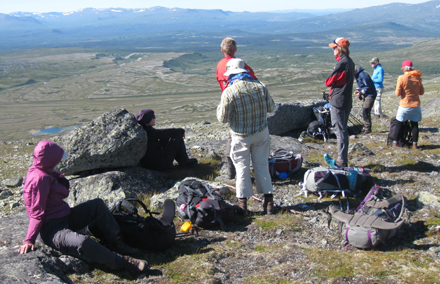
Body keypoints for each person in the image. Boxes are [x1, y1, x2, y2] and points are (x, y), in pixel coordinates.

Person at [19, 140, 148, 274]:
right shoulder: (39, 179)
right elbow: (36, 212)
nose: (59, 162)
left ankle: (116, 243)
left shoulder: (45, 171)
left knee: (97, 205)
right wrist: (29, 239)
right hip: (52, 229)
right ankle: (123, 262)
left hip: (65, 216)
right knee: (82, 241)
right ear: (50, 160)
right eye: (57, 159)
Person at [217, 58, 276, 214]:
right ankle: (269, 203)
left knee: (241, 168)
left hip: (240, 135)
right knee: (262, 165)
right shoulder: (260, 86)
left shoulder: (229, 92)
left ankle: (243, 205)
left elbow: (222, 118)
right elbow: (272, 108)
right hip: (261, 132)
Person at [216, 38, 258, 180]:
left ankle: (231, 172)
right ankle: (240, 172)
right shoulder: (240, 64)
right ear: (235, 50)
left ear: (222, 50)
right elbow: (253, 79)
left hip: (228, 101)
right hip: (244, 102)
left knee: (232, 134)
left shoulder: (220, 65)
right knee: (243, 136)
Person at [325, 37, 355, 167]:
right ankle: (342, 159)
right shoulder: (350, 62)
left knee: (340, 130)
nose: (332, 50)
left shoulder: (342, 63)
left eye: (333, 48)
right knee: (342, 130)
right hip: (346, 100)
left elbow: (328, 81)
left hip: (338, 100)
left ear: (339, 49)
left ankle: (341, 161)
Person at [393, 60, 424, 149]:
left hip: (404, 105)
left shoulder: (402, 78)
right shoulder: (418, 78)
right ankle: (414, 144)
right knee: (414, 125)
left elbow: (398, 93)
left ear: (403, 68)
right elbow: (421, 92)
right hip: (416, 105)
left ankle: (395, 143)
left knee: (399, 124)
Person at [354, 66, 377, 134]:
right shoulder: (358, 75)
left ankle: (367, 127)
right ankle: (366, 126)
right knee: (365, 110)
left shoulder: (363, 75)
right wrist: (358, 90)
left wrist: (361, 92)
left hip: (370, 94)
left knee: (366, 110)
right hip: (367, 95)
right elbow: (361, 85)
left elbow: (368, 86)